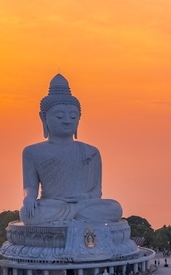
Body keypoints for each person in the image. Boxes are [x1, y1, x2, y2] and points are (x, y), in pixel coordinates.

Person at [20, 74, 124, 225]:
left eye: (73, 116)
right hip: (53, 205)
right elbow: (30, 186)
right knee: (27, 213)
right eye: (60, 116)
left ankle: (73, 214)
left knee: (114, 208)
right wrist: (28, 198)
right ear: (43, 117)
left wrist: (82, 202)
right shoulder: (32, 152)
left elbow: (96, 192)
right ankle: (74, 215)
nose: (68, 121)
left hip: (84, 205)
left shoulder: (90, 151)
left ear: (79, 118)